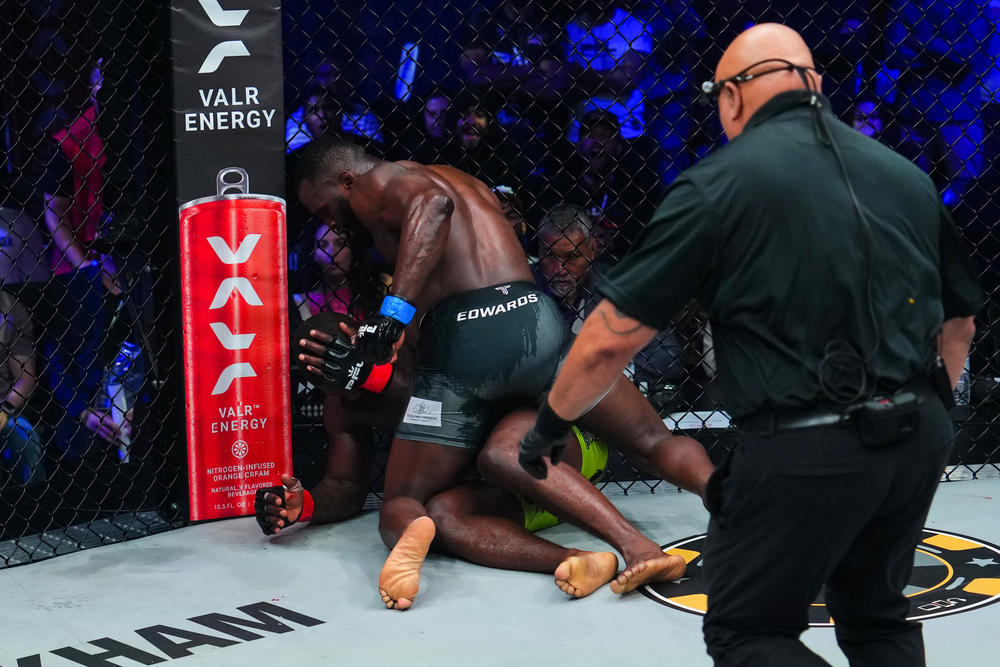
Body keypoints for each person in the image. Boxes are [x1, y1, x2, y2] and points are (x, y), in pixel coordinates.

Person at [517, 23, 984, 665]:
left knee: (747, 631)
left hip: (807, 440)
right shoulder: (905, 176)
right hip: (919, 433)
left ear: (733, 96)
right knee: (878, 620)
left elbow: (610, 337)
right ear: (812, 84)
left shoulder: (719, 184)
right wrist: (927, 408)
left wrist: (549, 425)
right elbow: (961, 324)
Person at [294, 137, 716, 609]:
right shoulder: (462, 179)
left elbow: (432, 206)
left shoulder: (377, 183)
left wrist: (394, 312)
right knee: (653, 442)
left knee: (406, 500)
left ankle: (408, 540)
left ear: (346, 180)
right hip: (535, 317)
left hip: (465, 340)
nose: (331, 223)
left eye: (325, 209)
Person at [259, 312, 629, 604]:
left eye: (344, 364)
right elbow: (344, 485)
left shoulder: (417, 341)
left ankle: (629, 543)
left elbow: (442, 403)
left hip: (560, 452)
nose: (348, 390)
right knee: (442, 514)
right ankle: (578, 559)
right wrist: (304, 506)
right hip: (505, 489)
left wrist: (369, 375)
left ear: (358, 336)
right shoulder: (342, 406)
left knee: (501, 451)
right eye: (330, 380)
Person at [0, 290, 46, 485]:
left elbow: (25, 379)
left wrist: (4, 411)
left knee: (27, 439)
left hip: (3, 408)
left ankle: (35, 500)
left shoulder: (10, 308)